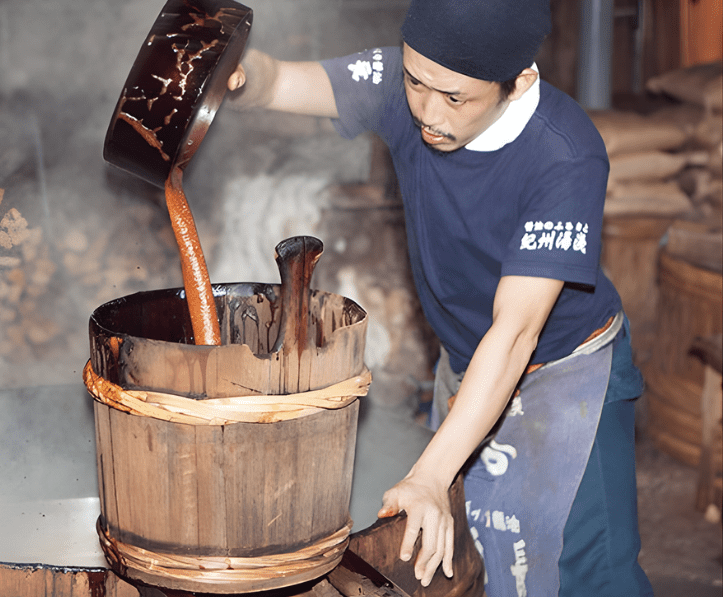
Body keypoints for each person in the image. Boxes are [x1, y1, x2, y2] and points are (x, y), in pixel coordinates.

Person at [227, 0, 653, 595]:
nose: (427, 112)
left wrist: (430, 472)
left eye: (455, 99)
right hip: (466, 358)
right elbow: (281, 82)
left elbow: (515, 333)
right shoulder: (403, 86)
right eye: (415, 83)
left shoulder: (564, 153)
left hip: (563, 371)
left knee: (581, 569)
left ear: (519, 81)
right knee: (470, 558)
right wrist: (237, 76)